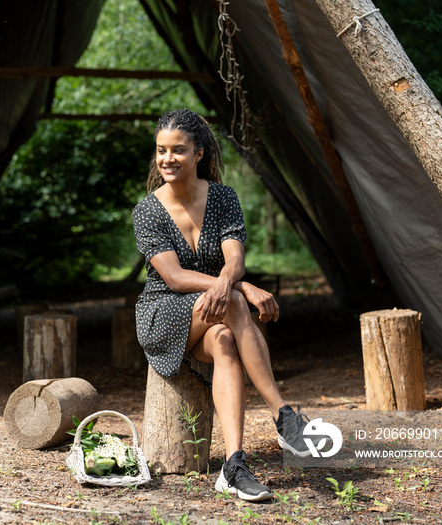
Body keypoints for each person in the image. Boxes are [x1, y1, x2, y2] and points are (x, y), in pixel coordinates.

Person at [132, 109, 320, 501]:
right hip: (163, 313)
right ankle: (283, 415)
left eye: (178, 150)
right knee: (235, 301)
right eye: (161, 150)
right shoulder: (148, 210)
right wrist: (242, 288)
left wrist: (233, 280)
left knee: (224, 341)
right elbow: (175, 278)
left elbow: (234, 259)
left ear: (199, 153)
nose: (167, 158)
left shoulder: (222, 198)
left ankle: (233, 465)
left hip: (211, 315)